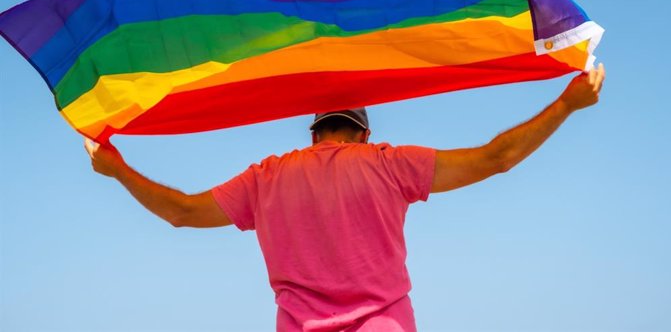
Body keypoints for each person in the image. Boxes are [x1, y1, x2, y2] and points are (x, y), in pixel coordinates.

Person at [85, 64, 606, 331]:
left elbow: (180, 212)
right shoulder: (388, 163)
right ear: (362, 132)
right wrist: (567, 102)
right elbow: (497, 157)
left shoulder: (267, 177)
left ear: (314, 133)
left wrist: (117, 169)